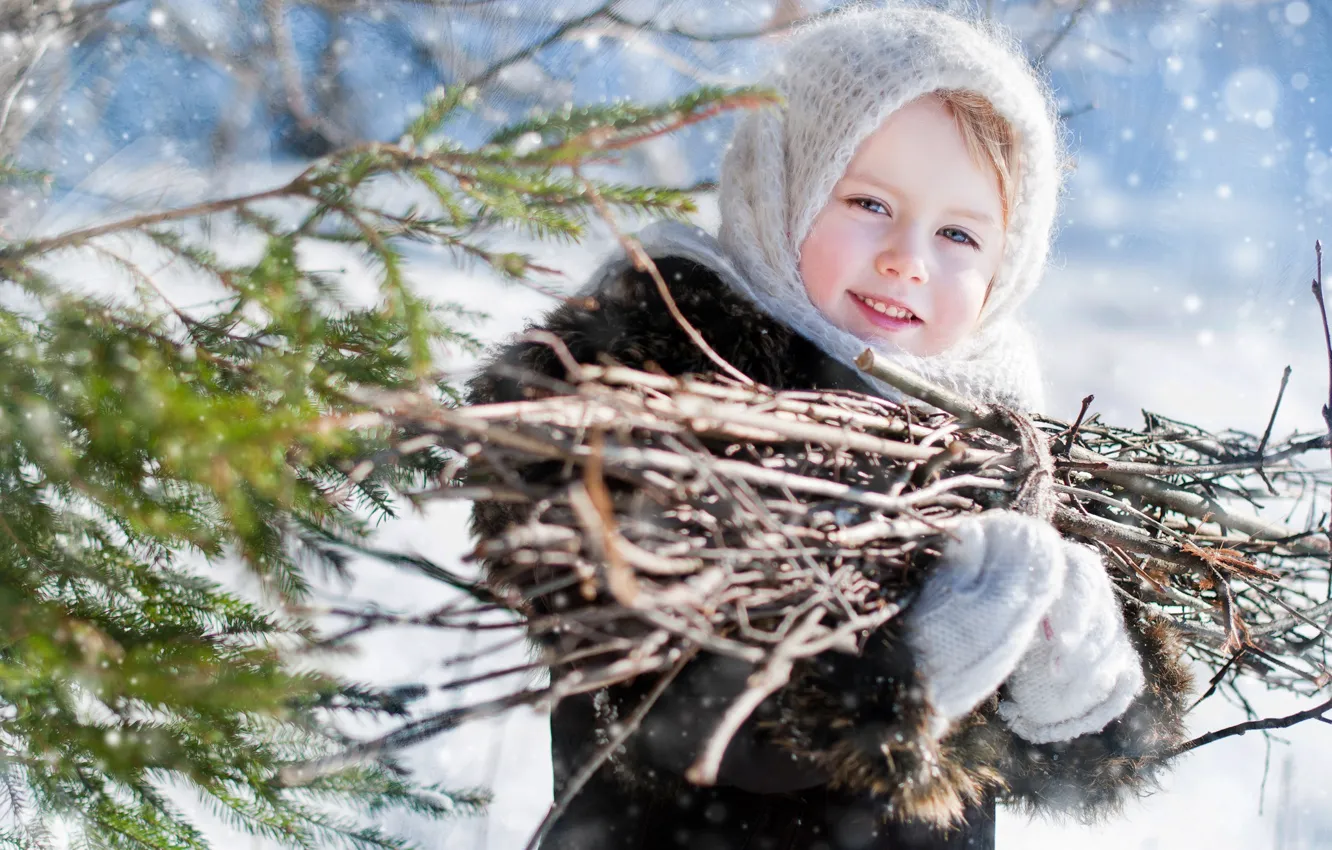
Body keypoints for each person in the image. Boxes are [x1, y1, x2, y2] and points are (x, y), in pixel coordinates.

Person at [467, 5, 1194, 849]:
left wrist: (1076, 687)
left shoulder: (1000, 436)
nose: (908, 258)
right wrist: (902, 680)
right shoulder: (648, 376)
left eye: (959, 232)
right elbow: (679, 720)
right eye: (869, 202)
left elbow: (1055, 763)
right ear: (783, 181)